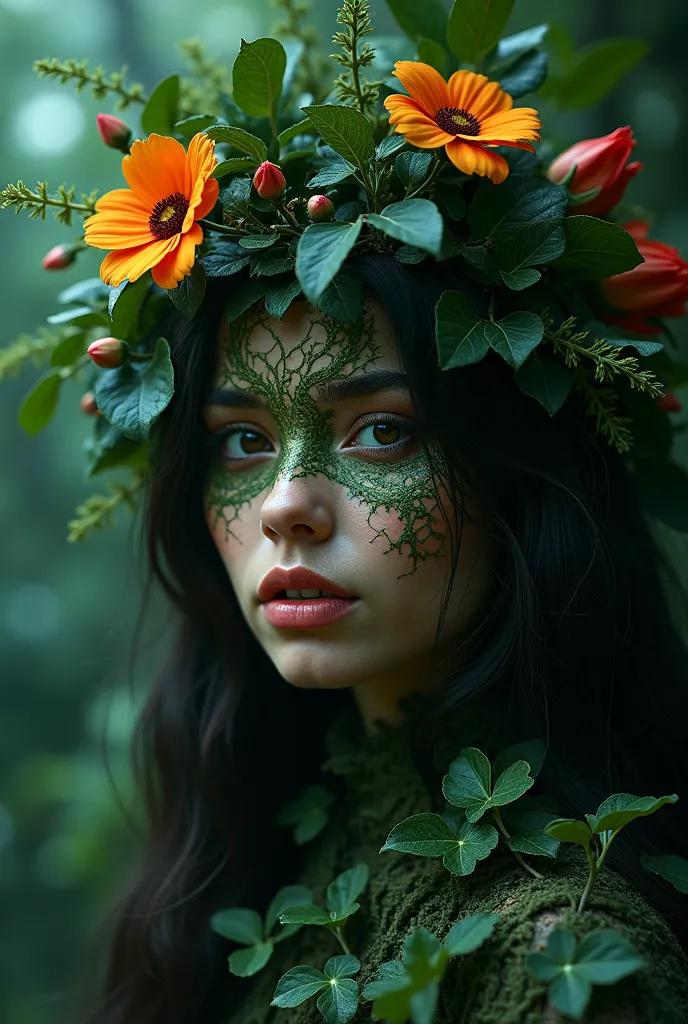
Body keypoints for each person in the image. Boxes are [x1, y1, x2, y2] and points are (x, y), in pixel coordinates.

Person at [3, 2, 688, 1023]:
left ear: (518, 469)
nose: (284, 507)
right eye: (240, 441)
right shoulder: (238, 879)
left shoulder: (567, 965)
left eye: (380, 432)